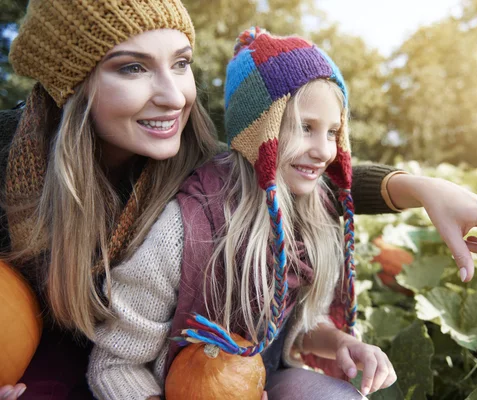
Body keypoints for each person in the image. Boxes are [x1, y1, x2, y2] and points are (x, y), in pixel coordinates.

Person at [0, 2, 477, 399]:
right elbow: (116, 364)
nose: (173, 94)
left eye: (180, 63)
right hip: (86, 362)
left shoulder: (196, 157)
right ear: (72, 85)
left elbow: (288, 170)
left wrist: (426, 188)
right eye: (131, 67)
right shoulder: (16, 162)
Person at [88, 27, 396, 400]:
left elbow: (296, 328)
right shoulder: (185, 231)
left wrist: (340, 342)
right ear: (259, 133)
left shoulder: (313, 217)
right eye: (305, 128)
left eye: (332, 132)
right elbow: (115, 365)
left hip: (268, 378)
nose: (323, 150)